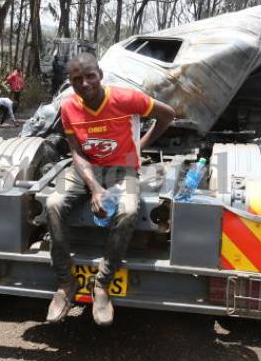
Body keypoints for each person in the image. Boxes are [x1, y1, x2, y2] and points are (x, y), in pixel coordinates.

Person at [45, 52, 175, 326]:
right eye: (76, 79)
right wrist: (94, 188)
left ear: (100, 75)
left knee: (128, 210)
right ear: (70, 81)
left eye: (90, 76)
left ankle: (102, 284)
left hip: (123, 169)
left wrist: (140, 146)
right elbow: (76, 152)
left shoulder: (127, 98)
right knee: (53, 203)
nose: (84, 83)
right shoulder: (68, 107)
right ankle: (66, 283)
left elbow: (168, 115)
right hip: (85, 169)